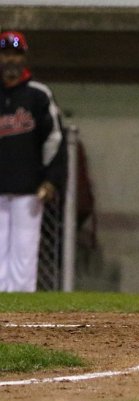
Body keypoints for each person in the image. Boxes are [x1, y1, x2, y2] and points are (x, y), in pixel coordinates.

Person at [0, 30, 66, 292]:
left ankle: (20, 309)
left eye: (16, 54)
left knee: (24, 255)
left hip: (28, 190)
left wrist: (51, 179)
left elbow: (54, 139)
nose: (10, 59)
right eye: (5, 54)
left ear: (24, 58)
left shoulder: (38, 95)